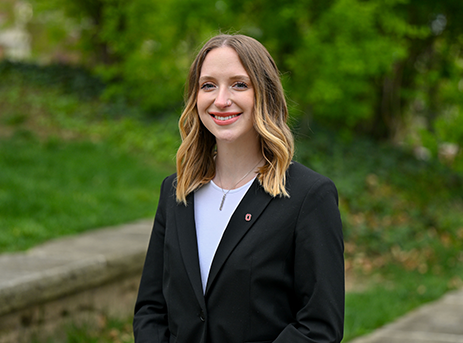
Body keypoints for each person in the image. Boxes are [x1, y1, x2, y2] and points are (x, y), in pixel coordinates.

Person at [133, 34, 344, 343]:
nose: (221, 100)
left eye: (239, 84)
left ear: (265, 95)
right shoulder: (176, 192)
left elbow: (319, 327)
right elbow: (150, 310)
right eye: (208, 85)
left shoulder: (308, 196)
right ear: (195, 98)